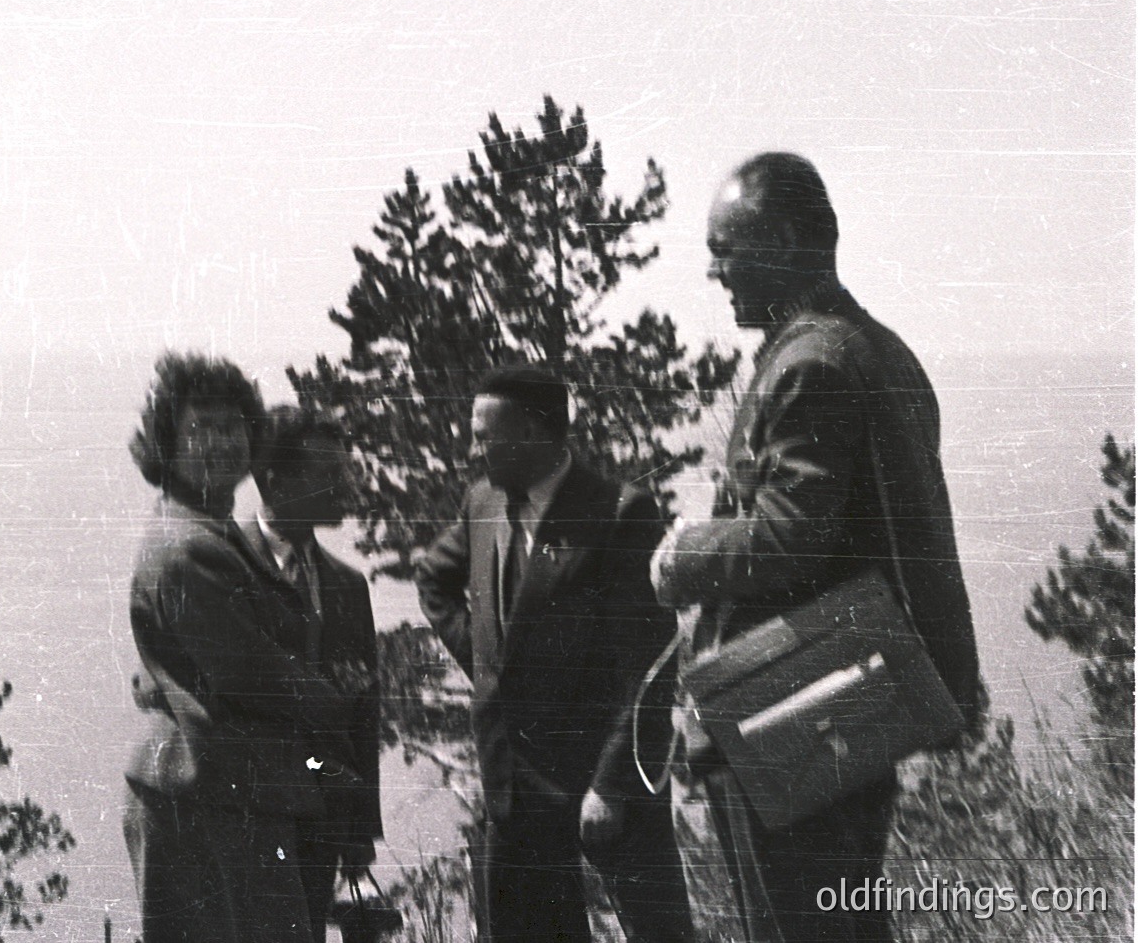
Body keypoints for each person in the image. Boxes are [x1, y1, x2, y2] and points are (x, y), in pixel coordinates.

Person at [651, 152, 981, 943]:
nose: (713, 270)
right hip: (852, 691)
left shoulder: (811, 365)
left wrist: (683, 555)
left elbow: (797, 532)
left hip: (794, 705)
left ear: (791, 241)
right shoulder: (873, 348)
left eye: (726, 247)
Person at [415, 365, 692, 943]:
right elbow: (433, 581)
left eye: (482, 436)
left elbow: (650, 665)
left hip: (601, 779)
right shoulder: (483, 503)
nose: (471, 450)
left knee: (656, 930)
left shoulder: (619, 513)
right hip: (514, 780)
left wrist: (611, 787)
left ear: (536, 433)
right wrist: (492, 672)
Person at [123, 352, 360, 943]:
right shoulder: (189, 546)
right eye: (201, 429)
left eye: (233, 428)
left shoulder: (209, 530)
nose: (222, 444)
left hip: (222, 794)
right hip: (205, 800)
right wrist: (334, 696)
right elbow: (252, 673)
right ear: (166, 443)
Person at [241, 406, 383, 943]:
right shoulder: (221, 566)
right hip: (245, 821)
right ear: (275, 480)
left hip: (321, 823)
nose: (343, 487)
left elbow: (363, 717)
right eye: (326, 475)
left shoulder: (348, 587)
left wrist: (360, 833)